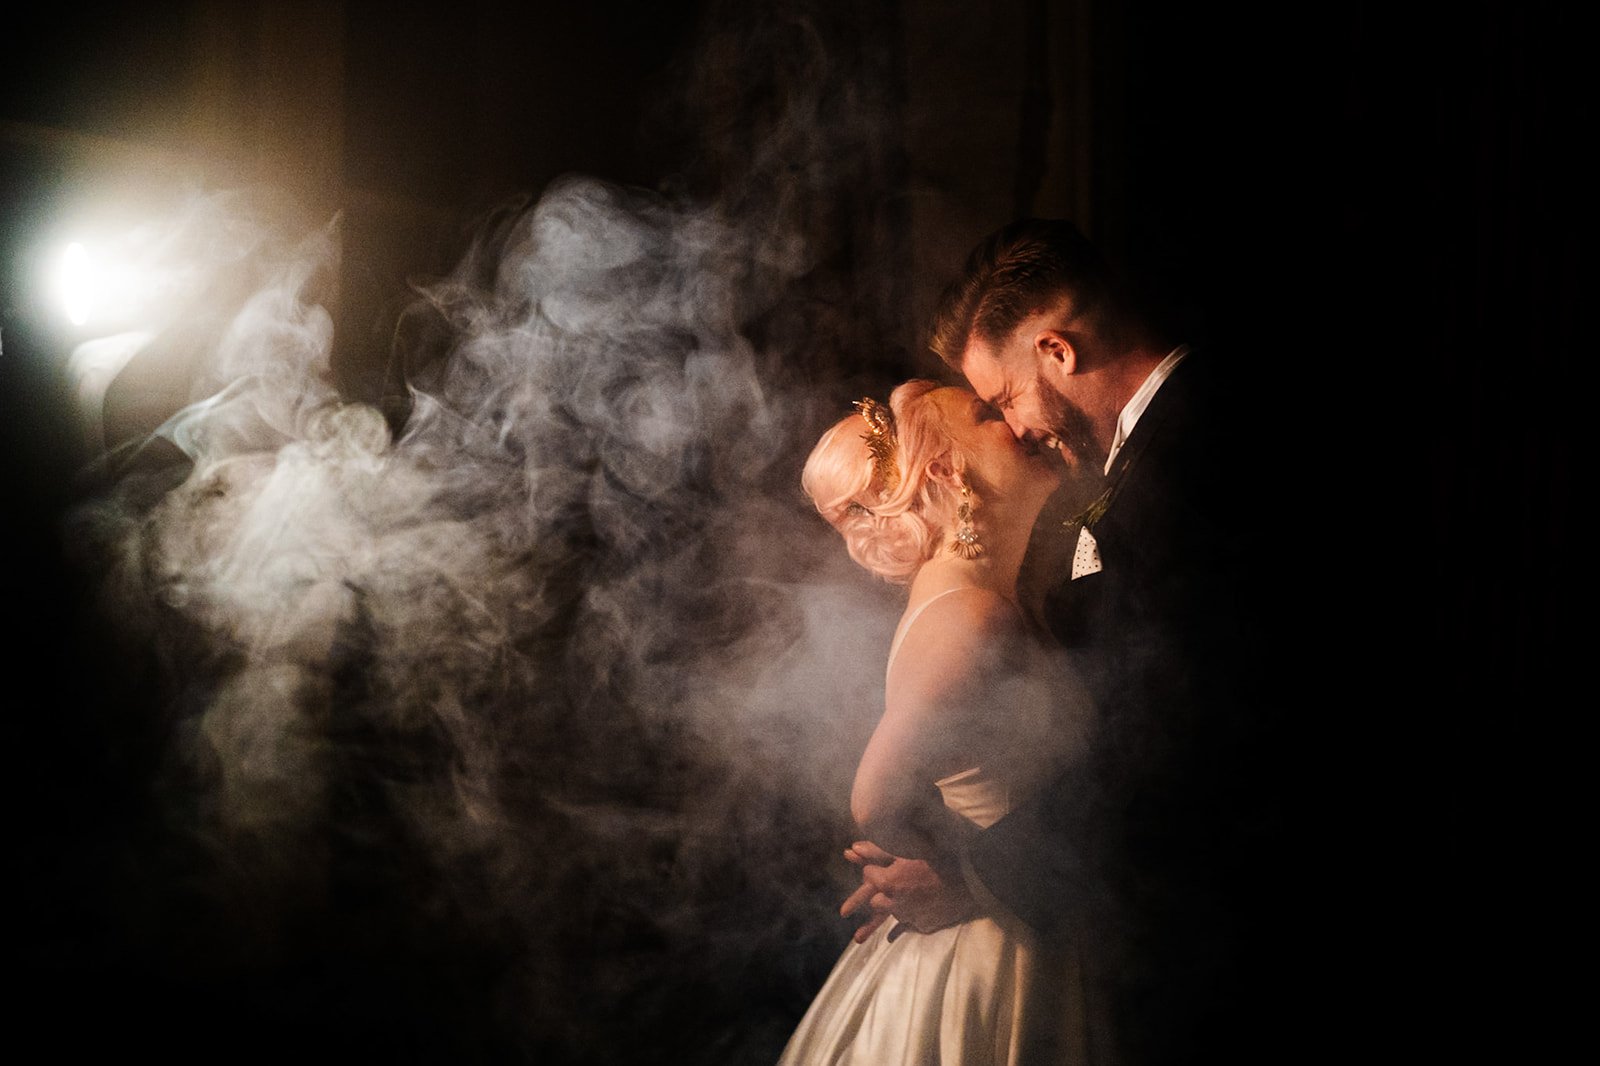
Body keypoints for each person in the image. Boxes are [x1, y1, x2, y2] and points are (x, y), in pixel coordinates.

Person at [840, 219, 1290, 1064]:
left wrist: (972, 876)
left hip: (1219, 919)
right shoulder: (1154, 455)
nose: (1014, 427)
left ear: (1057, 349)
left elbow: (1183, 742)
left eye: (1005, 397)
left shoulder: (1197, 460)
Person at [778, 379, 1102, 1064]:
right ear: (949, 472)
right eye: (988, 416)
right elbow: (876, 797)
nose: (1014, 424)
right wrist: (953, 865)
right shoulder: (971, 615)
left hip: (1029, 914)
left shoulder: (972, 597)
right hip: (1002, 950)